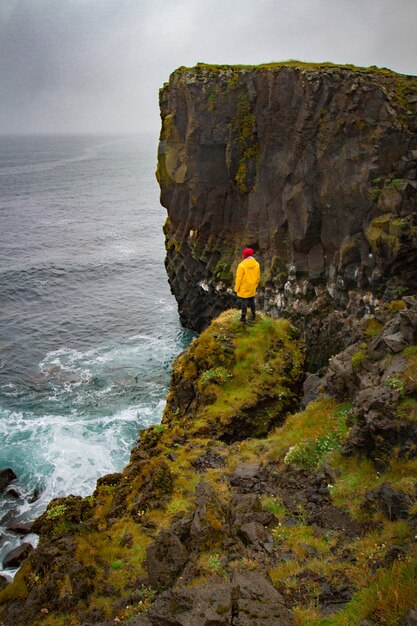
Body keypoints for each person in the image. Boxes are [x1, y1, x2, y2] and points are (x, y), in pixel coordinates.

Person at [234, 247, 260, 322]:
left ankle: (243, 317)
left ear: (245, 255)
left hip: (244, 286)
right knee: (252, 299)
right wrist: (256, 284)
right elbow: (258, 276)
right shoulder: (257, 264)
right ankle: (253, 314)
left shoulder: (241, 266)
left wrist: (236, 289)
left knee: (244, 301)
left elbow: (238, 279)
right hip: (252, 285)